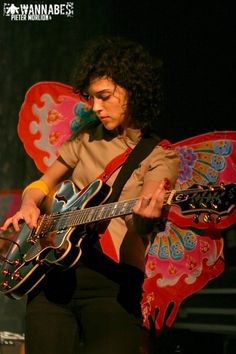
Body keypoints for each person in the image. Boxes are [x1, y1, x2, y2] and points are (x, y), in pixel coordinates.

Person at [1, 36, 180, 354]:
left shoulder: (160, 157)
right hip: (51, 274)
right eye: (91, 97)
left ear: (132, 90)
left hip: (112, 285)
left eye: (105, 96)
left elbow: (147, 213)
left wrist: (145, 218)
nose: (96, 107)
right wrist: (29, 204)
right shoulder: (85, 138)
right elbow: (42, 184)